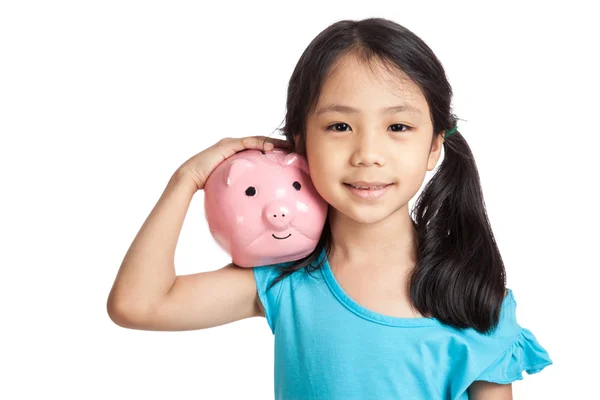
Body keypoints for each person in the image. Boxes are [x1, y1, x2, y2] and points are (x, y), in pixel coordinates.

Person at [107, 17, 552, 400]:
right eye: (340, 125)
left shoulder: (472, 298)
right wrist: (185, 180)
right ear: (299, 141)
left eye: (398, 126)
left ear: (435, 145)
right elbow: (137, 305)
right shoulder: (286, 281)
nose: (367, 153)